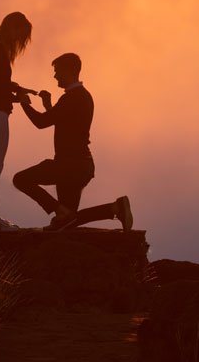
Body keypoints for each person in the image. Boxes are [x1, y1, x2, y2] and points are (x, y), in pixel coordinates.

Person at [13, 52, 133, 232]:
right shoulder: (81, 96)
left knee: (20, 179)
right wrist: (48, 106)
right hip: (80, 166)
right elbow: (63, 121)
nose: (54, 76)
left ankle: (60, 210)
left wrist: (24, 103)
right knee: (66, 223)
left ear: (69, 71)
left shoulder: (73, 97)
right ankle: (114, 208)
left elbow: (42, 122)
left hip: (70, 166)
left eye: (57, 71)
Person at [0, 11, 33, 232]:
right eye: (20, 34)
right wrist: (17, 97)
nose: (20, 41)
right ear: (13, 28)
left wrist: (16, 89)